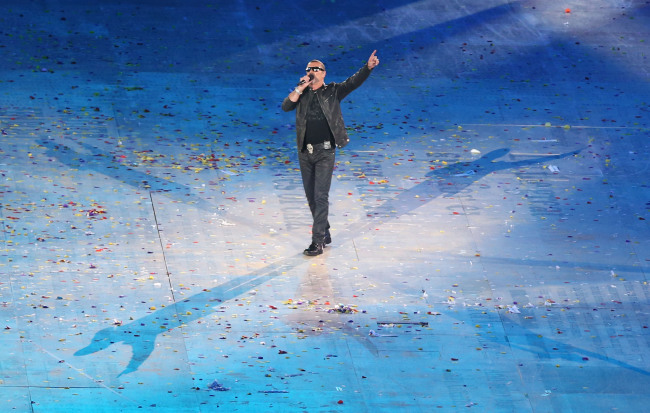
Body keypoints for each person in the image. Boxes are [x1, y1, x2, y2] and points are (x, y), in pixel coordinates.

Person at [282, 50, 380, 256]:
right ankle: (325, 232)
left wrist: (368, 68)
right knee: (311, 197)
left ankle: (317, 242)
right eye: (309, 69)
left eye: (316, 69)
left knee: (320, 196)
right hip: (304, 152)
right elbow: (286, 106)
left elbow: (353, 82)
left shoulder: (333, 91)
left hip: (325, 151)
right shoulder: (302, 94)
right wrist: (300, 88)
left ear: (324, 73)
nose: (311, 71)